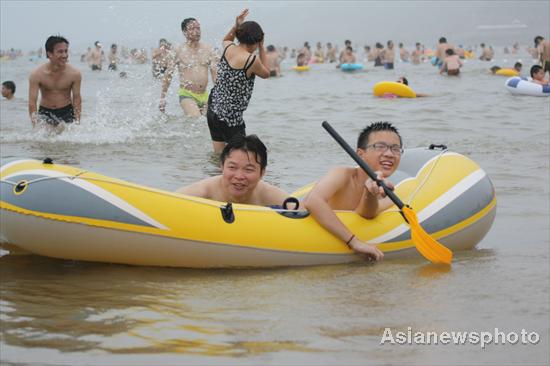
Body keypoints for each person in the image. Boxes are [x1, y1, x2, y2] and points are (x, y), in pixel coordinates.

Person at [303, 121, 404, 260]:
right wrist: (353, 242)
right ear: (360, 154)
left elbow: (366, 214)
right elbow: (312, 201)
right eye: (380, 146)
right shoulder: (342, 174)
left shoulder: (390, 194)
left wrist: (370, 193)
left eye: (396, 149)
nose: (389, 154)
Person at [206, 9, 270, 154]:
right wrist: (261, 46)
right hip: (231, 119)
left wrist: (236, 25)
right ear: (256, 40)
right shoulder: (251, 60)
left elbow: (226, 39)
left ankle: (215, 175)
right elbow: (266, 73)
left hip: (213, 109)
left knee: (219, 156)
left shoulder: (228, 47)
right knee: (239, 158)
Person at [175, 134, 290, 206]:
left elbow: (301, 211)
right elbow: (169, 204)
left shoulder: (268, 195)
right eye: (232, 167)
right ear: (221, 166)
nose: (239, 176)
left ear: (262, 173)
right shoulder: (202, 192)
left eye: (248, 169)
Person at [159, 18, 218, 118]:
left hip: (204, 95)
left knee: (208, 123)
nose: (196, 32)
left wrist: (219, 93)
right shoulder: (178, 50)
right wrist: (162, 98)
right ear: (184, 32)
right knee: (196, 118)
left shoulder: (208, 49)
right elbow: (168, 75)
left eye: (198, 28)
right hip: (187, 94)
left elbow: (215, 74)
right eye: (192, 29)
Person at [28, 35, 82, 128]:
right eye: (60, 52)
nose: (64, 55)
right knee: (44, 142)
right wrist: (35, 125)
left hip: (67, 112)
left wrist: (77, 122)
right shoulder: (37, 75)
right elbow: (32, 102)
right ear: (49, 54)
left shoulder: (75, 74)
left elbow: (77, 99)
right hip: (45, 112)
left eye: (66, 51)